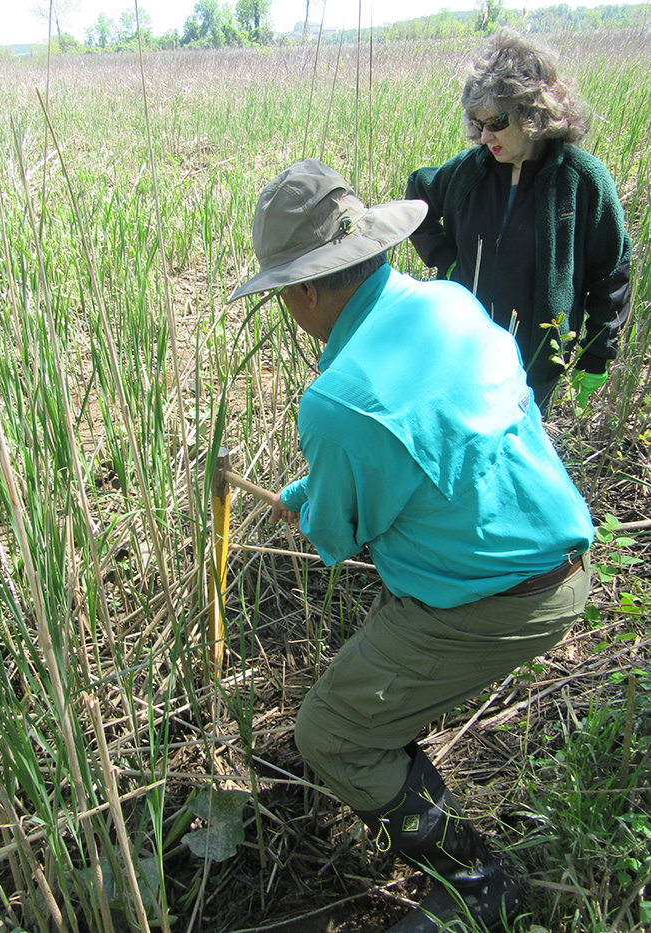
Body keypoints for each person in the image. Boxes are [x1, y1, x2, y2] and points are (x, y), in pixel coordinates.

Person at [228, 158, 595, 933]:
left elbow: (335, 532)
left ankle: (476, 877)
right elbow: (413, 450)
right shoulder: (450, 303)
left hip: (499, 600)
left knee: (328, 733)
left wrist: (310, 508)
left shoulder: (336, 402)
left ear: (299, 289)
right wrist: (311, 492)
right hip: (564, 557)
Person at [405, 28, 631, 412]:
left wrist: (596, 353)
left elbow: (610, 271)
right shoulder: (467, 172)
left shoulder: (581, 181)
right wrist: (446, 258)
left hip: (536, 362)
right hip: (465, 348)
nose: (484, 136)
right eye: (478, 124)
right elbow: (417, 193)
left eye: (496, 122)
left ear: (533, 112)